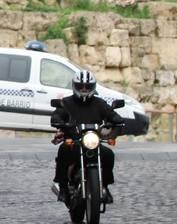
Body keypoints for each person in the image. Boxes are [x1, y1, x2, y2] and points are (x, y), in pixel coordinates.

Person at [50, 69, 124, 203]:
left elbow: (111, 114)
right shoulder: (66, 103)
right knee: (63, 151)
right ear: (75, 86)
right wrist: (58, 121)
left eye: (87, 87)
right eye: (80, 86)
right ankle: (63, 188)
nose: (84, 89)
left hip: (93, 141)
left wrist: (117, 120)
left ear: (93, 87)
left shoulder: (99, 103)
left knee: (108, 155)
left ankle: (104, 187)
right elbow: (57, 115)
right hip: (74, 141)